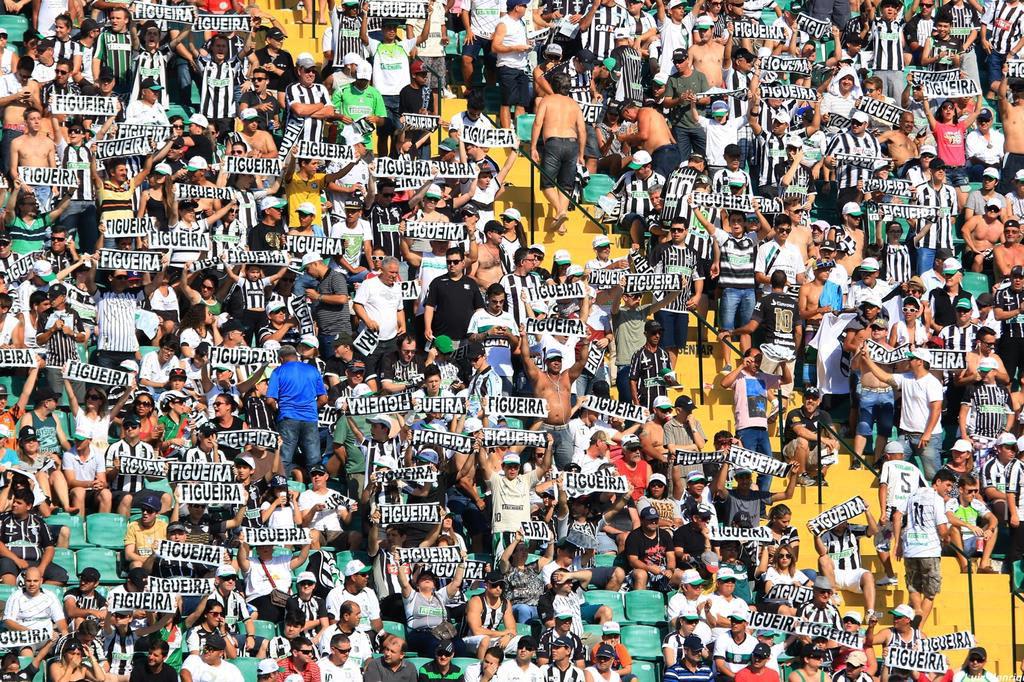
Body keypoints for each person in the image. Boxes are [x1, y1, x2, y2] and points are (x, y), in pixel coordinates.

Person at [267, 344, 328, 477]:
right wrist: (311, 408)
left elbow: (270, 400)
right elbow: (323, 399)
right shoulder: (312, 370)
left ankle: (282, 491)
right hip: (310, 419)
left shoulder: (278, 371)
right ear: (296, 356)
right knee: (314, 459)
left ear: (281, 359)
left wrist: (278, 411)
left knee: (285, 458)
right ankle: (317, 490)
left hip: (287, 417)